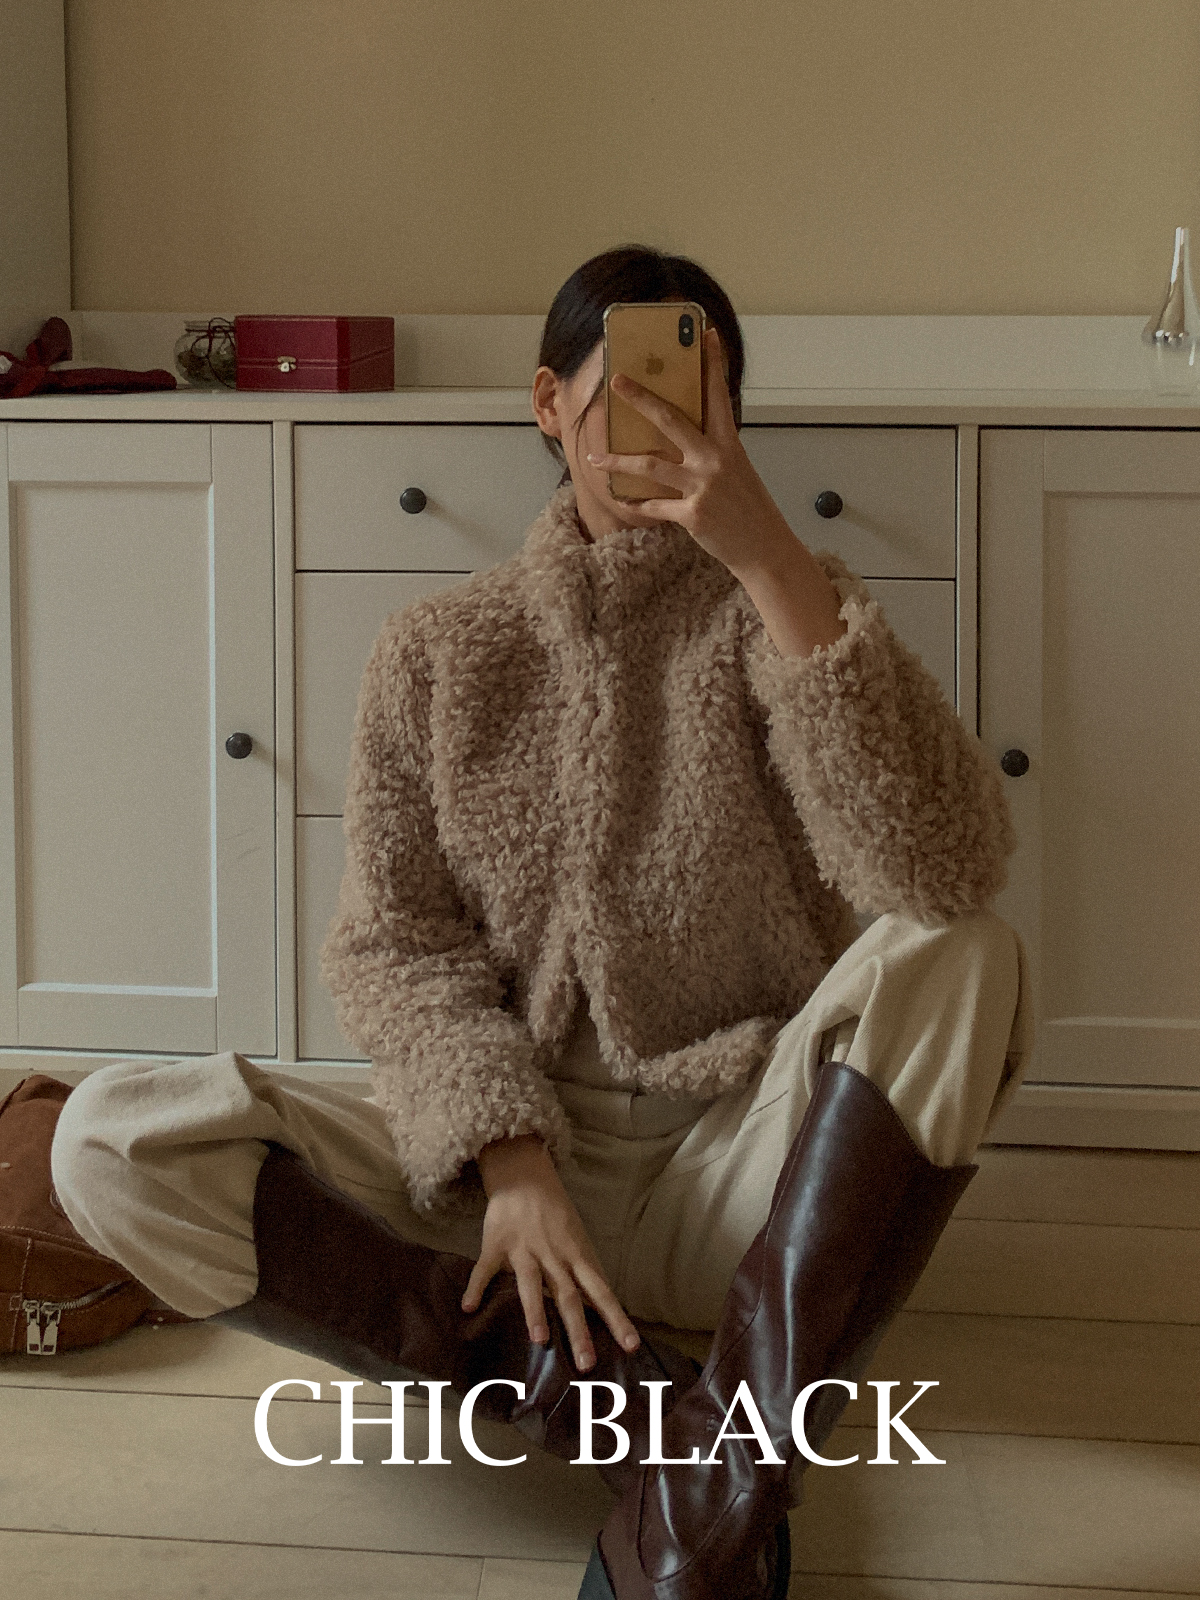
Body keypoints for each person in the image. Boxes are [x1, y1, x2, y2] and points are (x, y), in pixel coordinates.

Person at [50, 246, 1029, 1600]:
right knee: (108, 1142)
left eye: (699, 395)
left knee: (968, 952)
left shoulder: (788, 612)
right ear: (549, 406)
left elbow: (945, 864)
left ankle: (689, 1469)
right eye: (630, 389)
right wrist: (511, 1164)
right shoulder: (437, 652)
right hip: (497, 1202)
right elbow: (394, 947)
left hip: (733, 1179)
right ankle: (685, 1437)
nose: (666, 421)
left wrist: (769, 558)